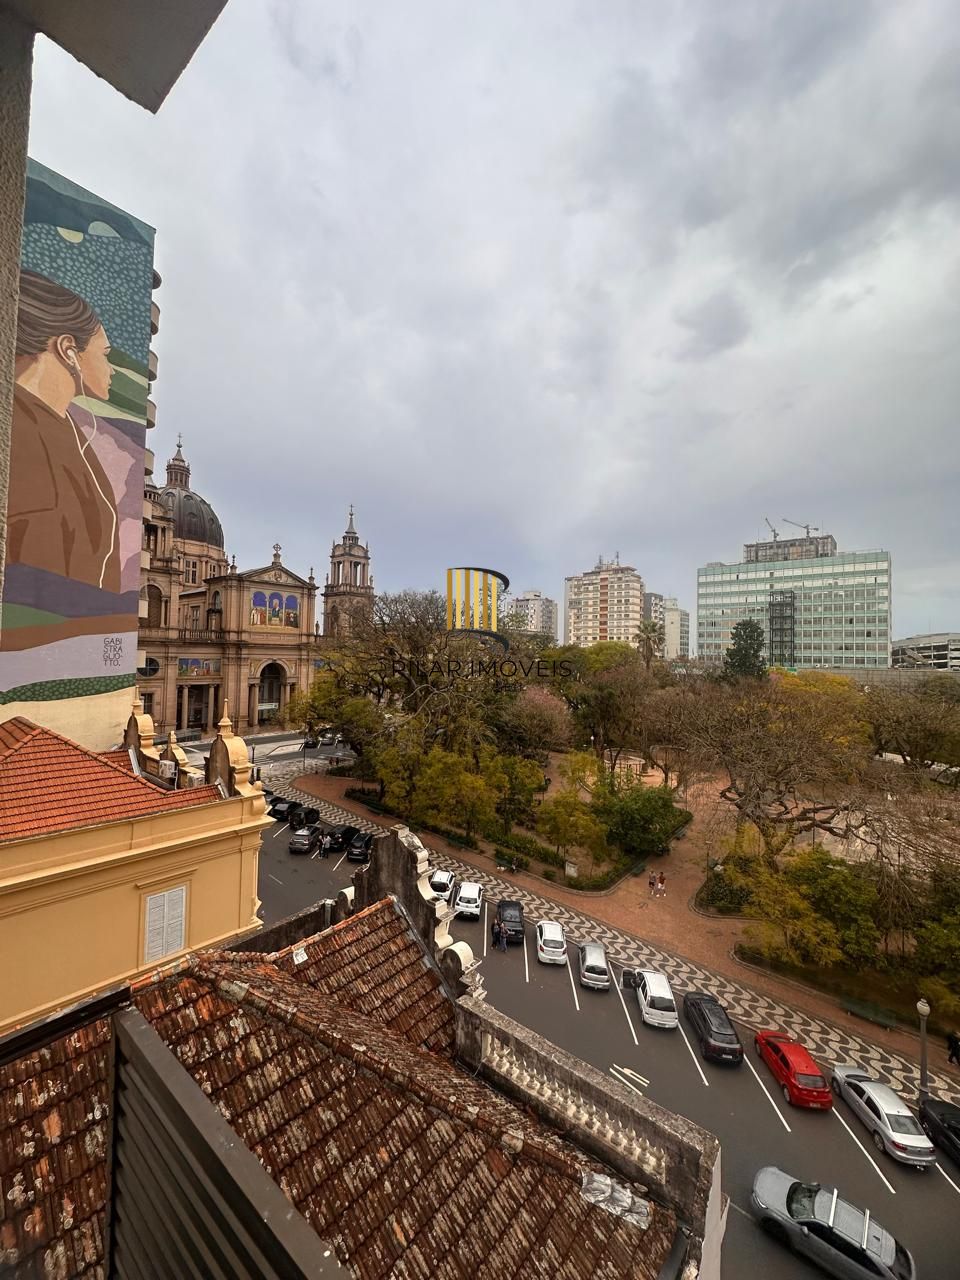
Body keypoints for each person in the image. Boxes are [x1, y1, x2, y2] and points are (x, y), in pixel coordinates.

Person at [7, 269, 120, 594]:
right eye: (106, 355)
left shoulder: (72, 434)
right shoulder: (26, 431)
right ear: (68, 350)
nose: (111, 369)